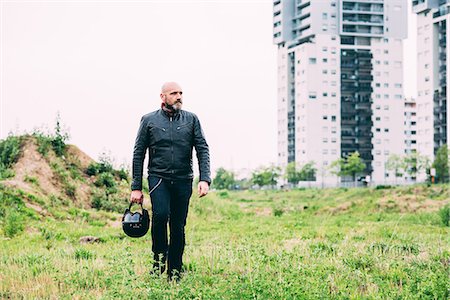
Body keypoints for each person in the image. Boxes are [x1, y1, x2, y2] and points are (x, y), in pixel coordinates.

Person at [130, 82, 210, 280]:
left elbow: (202, 149)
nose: (179, 96)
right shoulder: (149, 120)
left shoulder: (191, 119)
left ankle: (175, 269)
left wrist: (205, 179)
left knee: (177, 225)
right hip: (159, 178)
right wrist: (136, 187)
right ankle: (158, 263)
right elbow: (139, 153)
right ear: (162, 97)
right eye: (174, 93)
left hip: (183, 179)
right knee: (160, 216)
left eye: (181, 93)